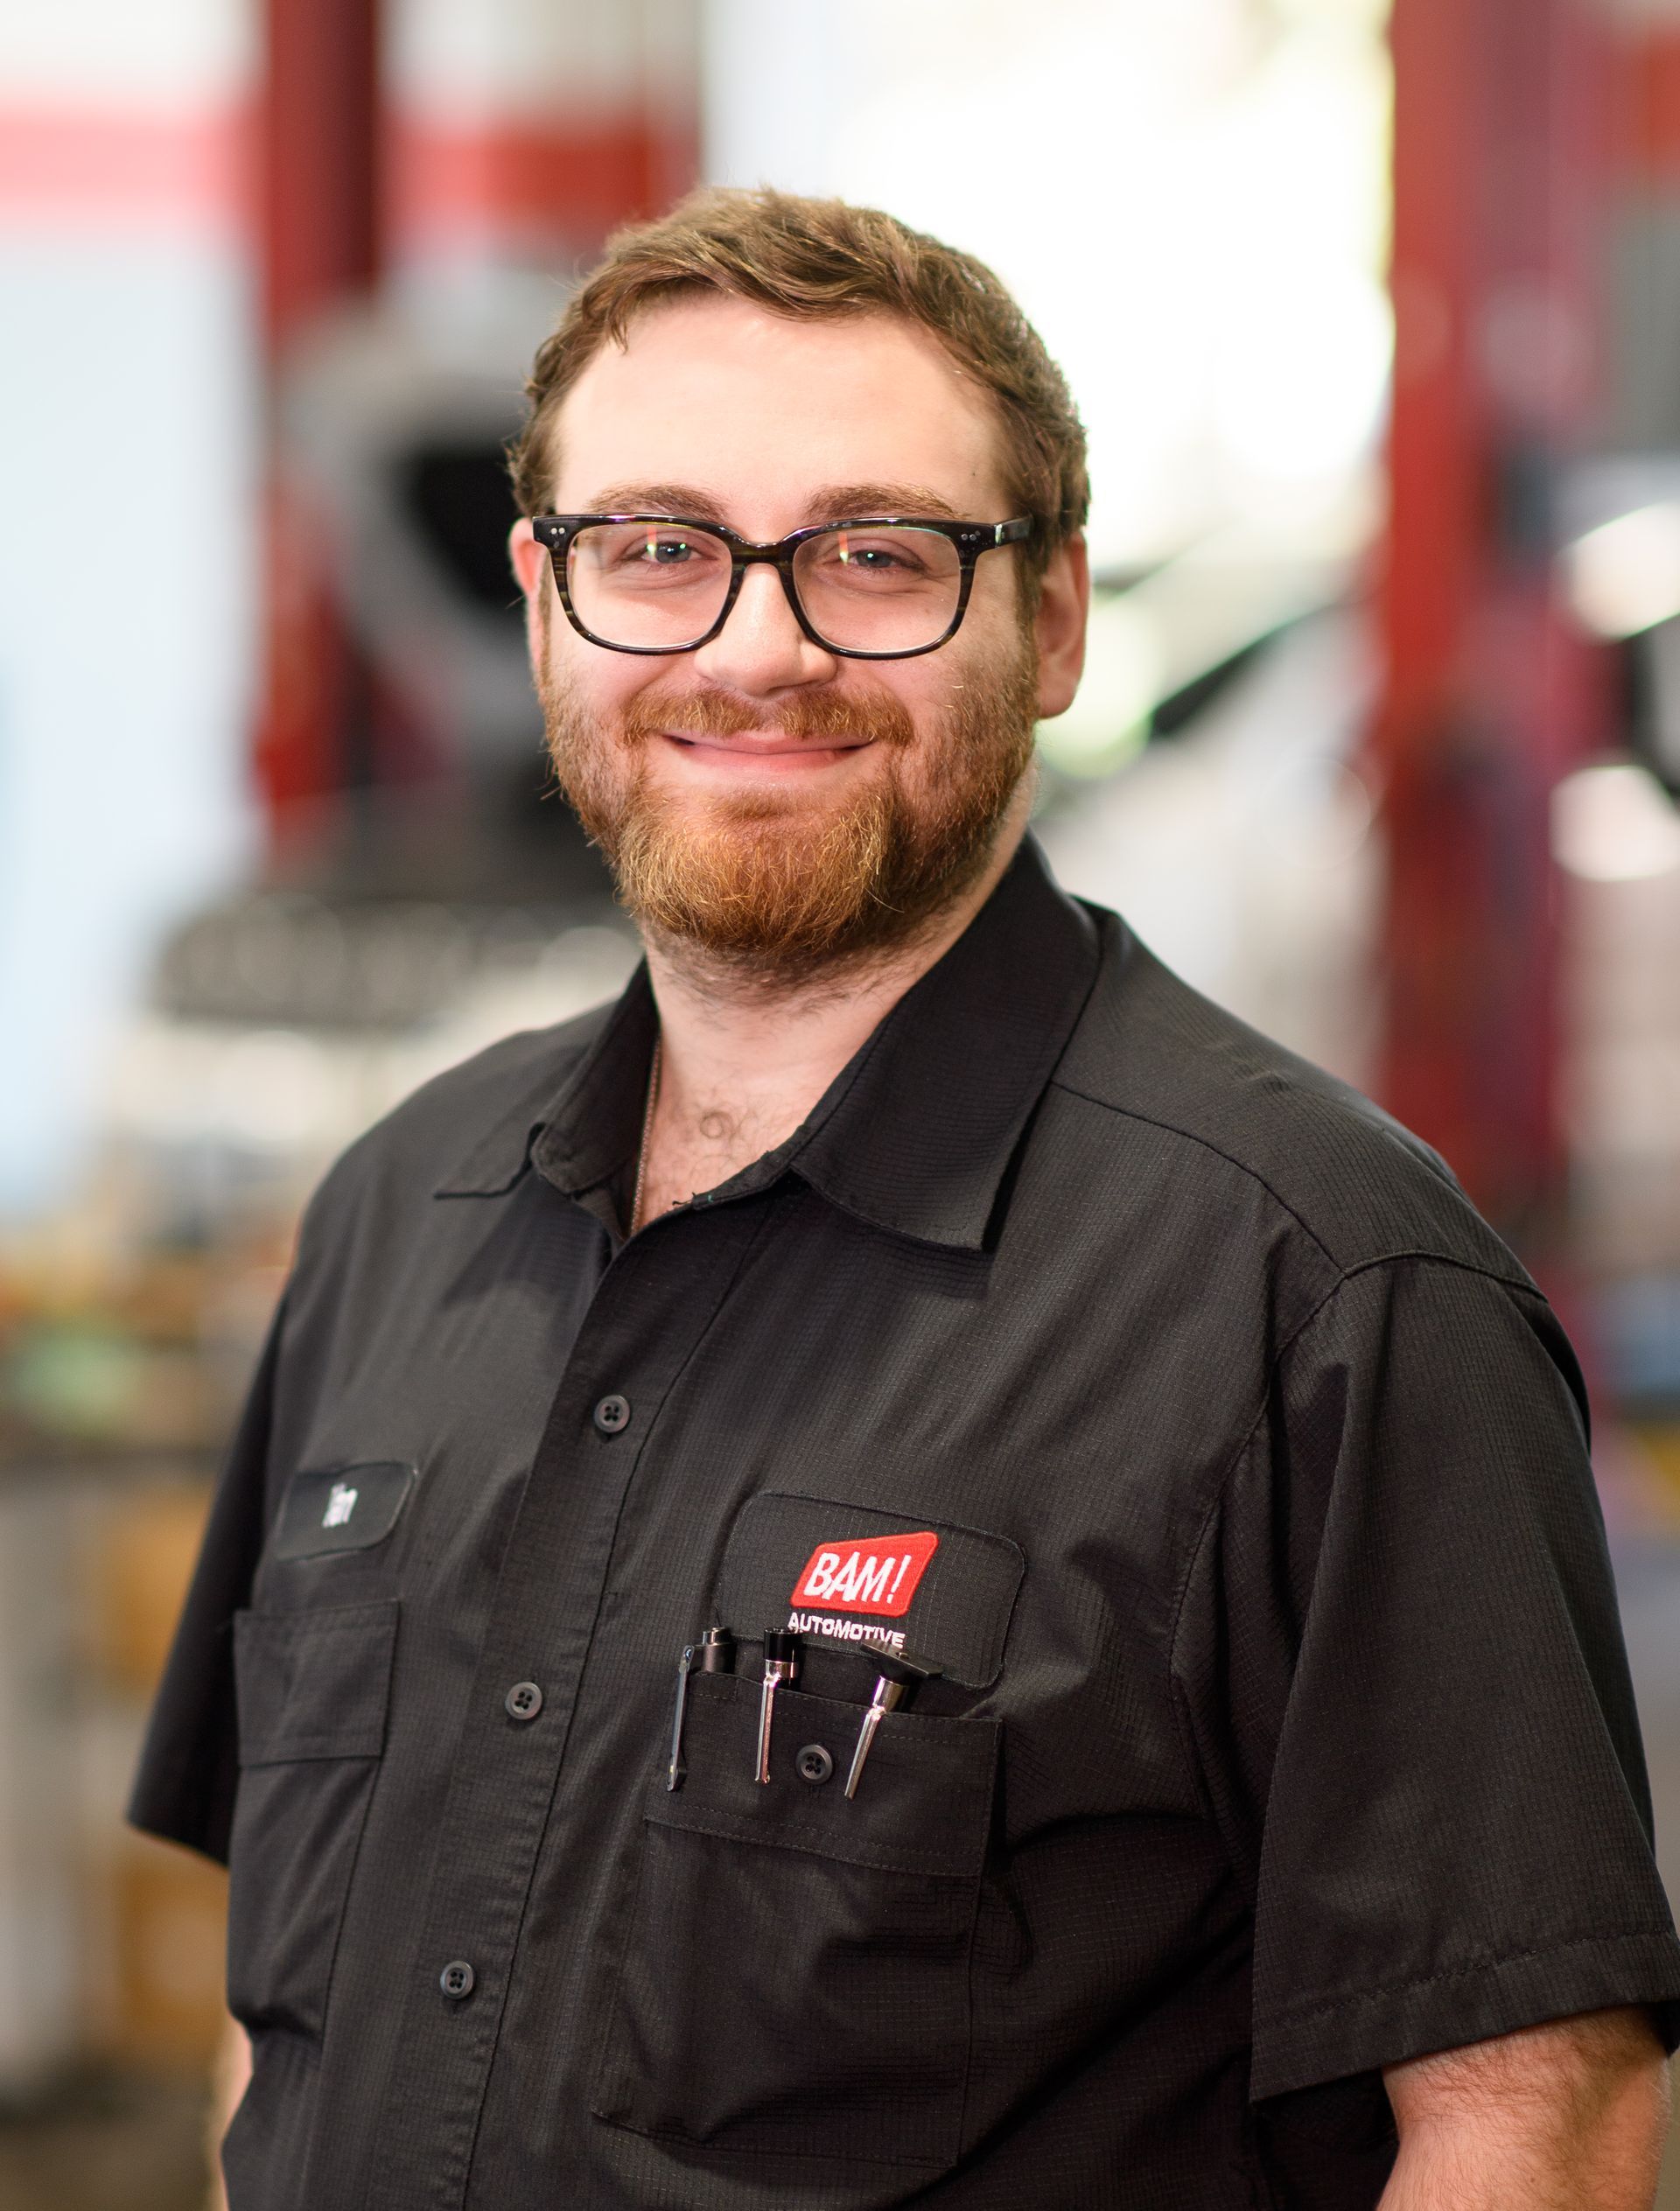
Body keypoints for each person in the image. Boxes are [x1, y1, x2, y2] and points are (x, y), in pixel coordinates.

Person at [133, 187, 1680, 2211]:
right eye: (659, 550)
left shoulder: (1324, 1291)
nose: (757, 645)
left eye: (876, 555)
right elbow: (286, 2018)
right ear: (543, 602)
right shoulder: (395, 1216)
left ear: (1049, 619)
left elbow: (1534, 2126)